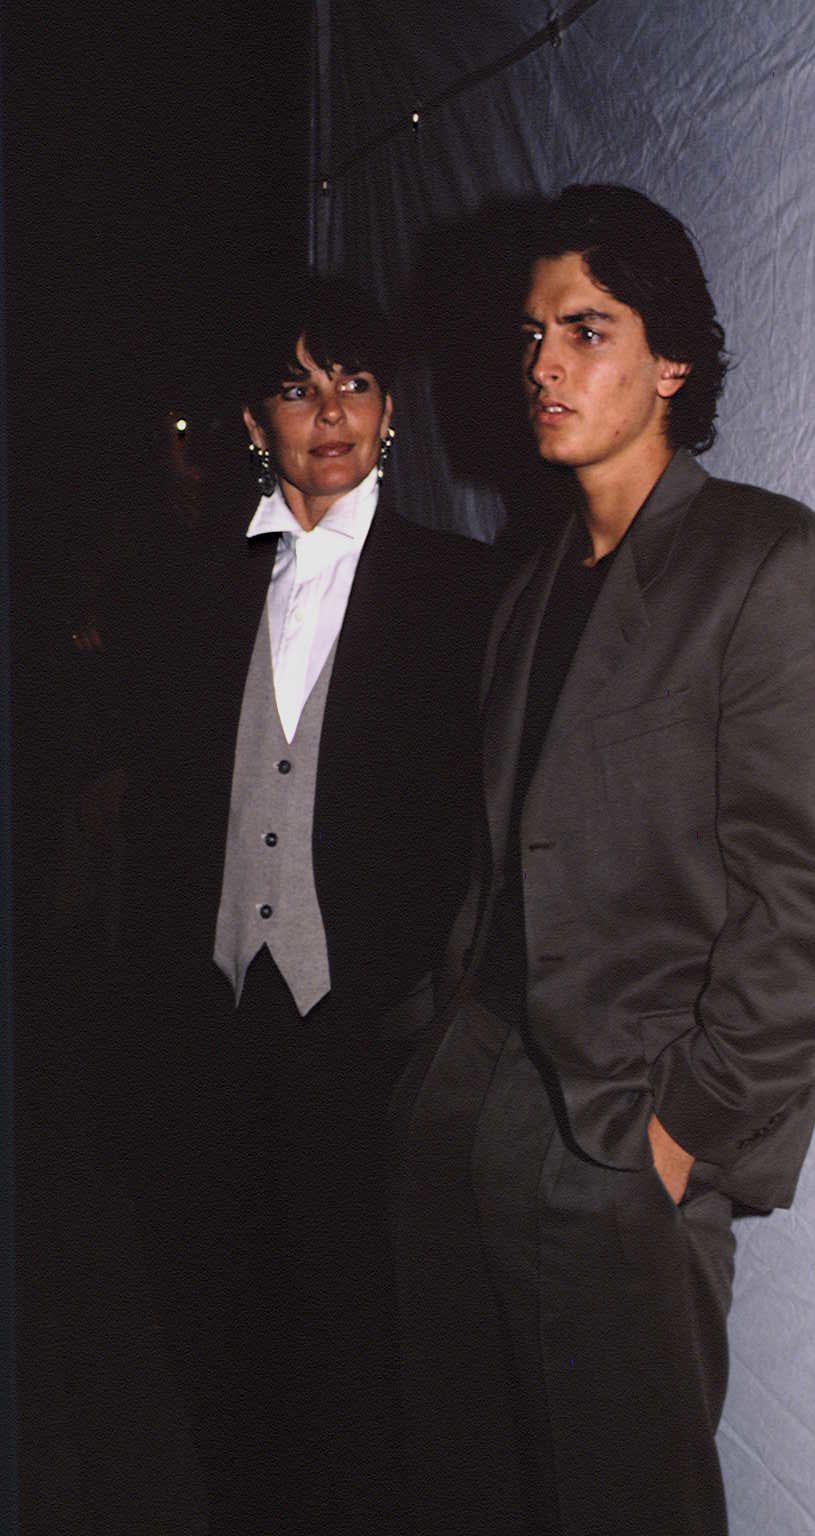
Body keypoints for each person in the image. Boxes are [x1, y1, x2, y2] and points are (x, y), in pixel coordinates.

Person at [390, 185, 815, 1536]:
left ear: (672, 362)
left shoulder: (771, 565)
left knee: (626, 1503)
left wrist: (681, 1139)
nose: (543, 364)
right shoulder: (529, 590)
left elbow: (813, 902)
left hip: (619, 1134)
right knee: (474, 1477)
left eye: (587, 330)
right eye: (535, 333)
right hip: (470, 1092)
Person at [113, 274, 497, 1536]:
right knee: (227, 1328)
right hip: (212, 1026)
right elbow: (165, 819)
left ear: (390, 413)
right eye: (295, 384)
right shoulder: (189, 593)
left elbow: (485, 832)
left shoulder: (465, 591)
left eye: (355, 382)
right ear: (251, 419)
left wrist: (436, 1005)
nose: (328, 409)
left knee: (367, 1345)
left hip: (372, 1029)